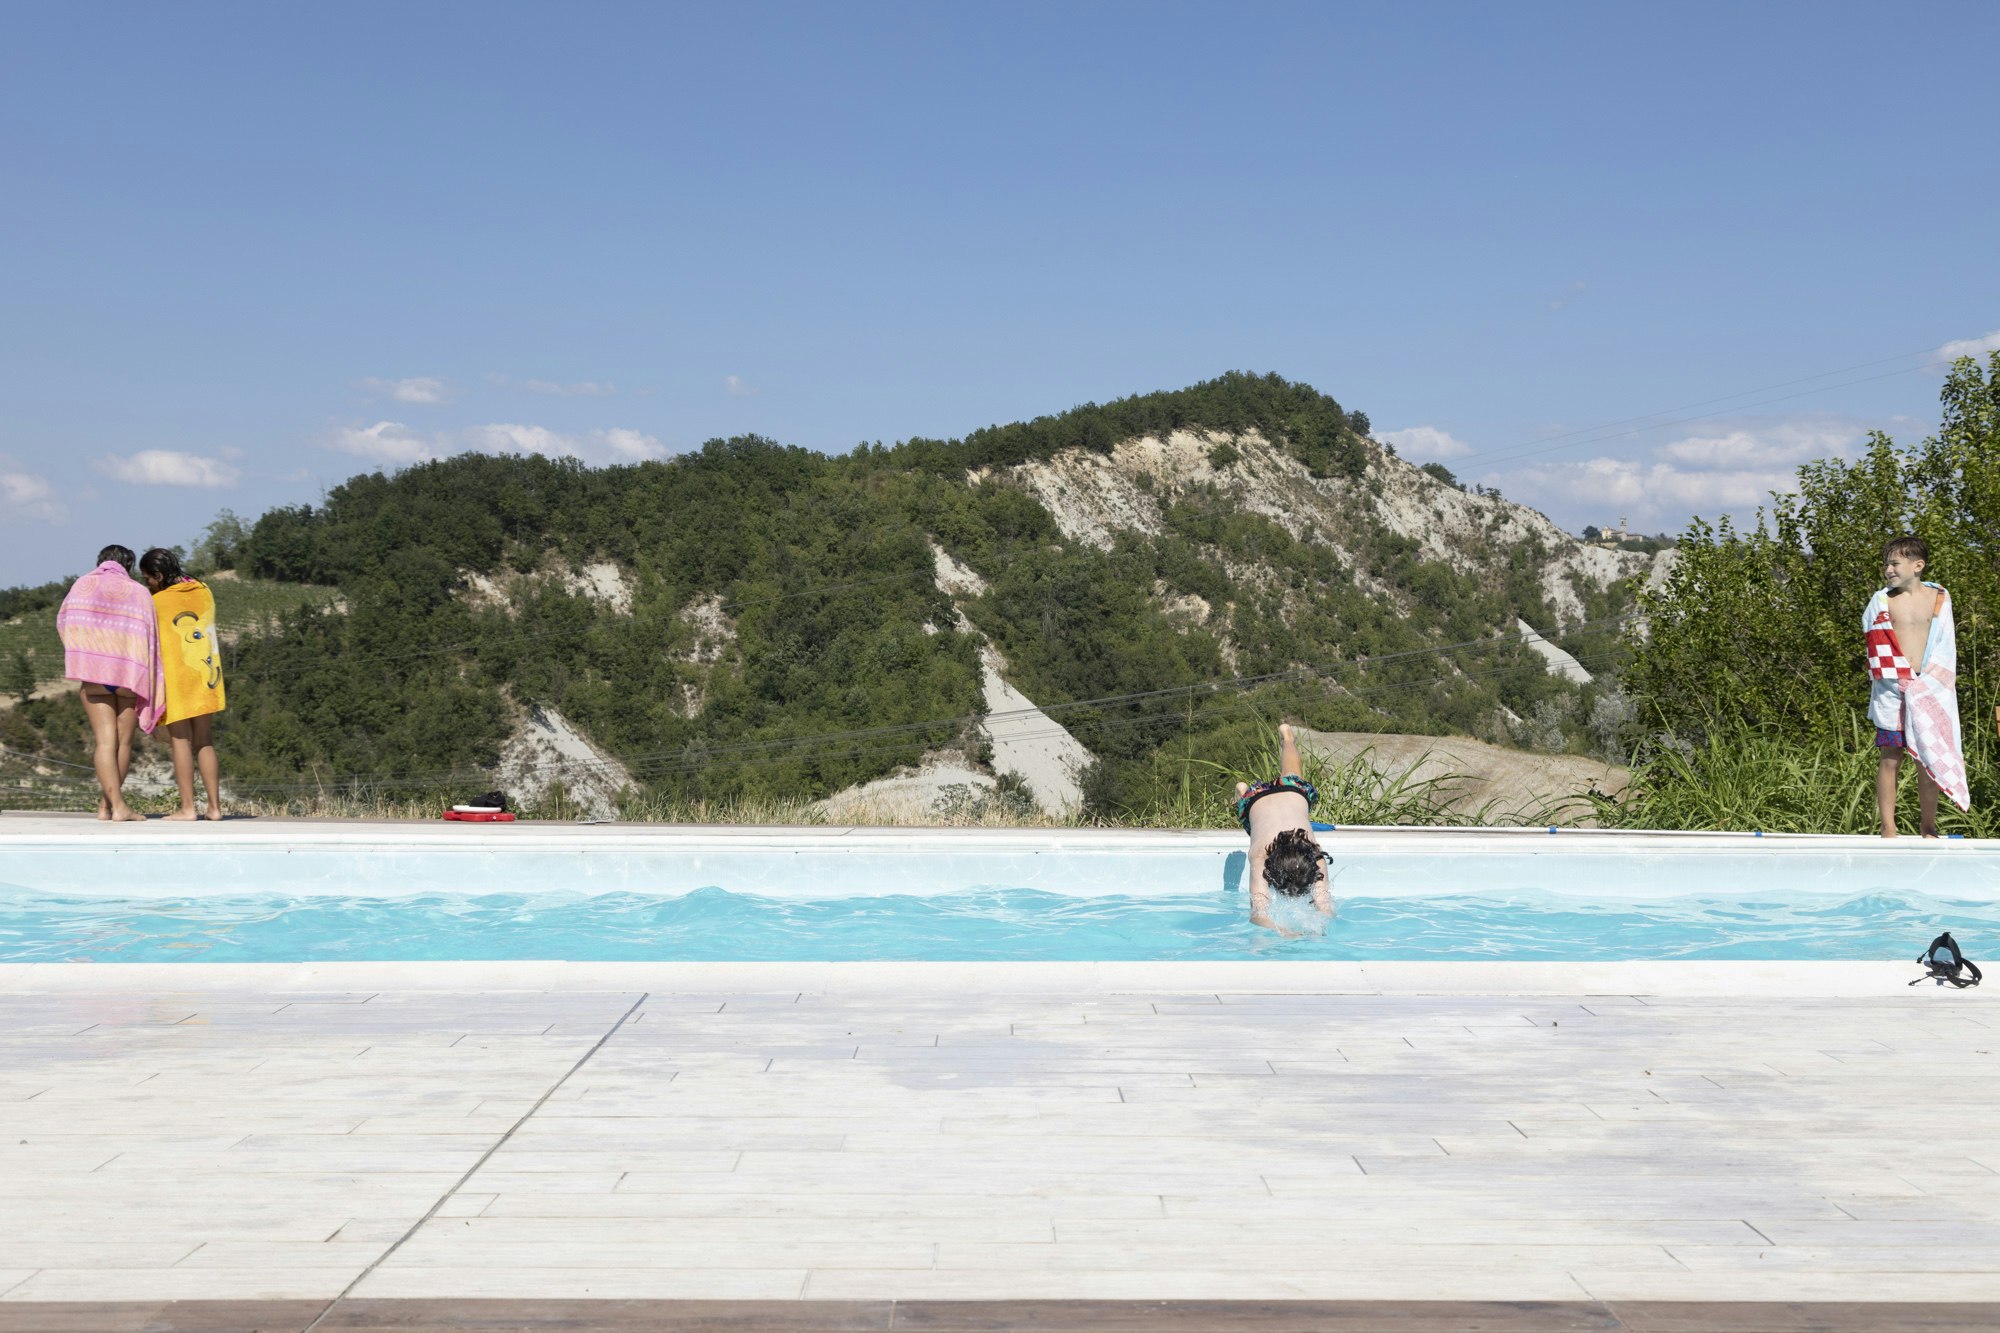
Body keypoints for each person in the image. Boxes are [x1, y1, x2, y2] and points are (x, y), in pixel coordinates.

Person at [1865, 535, 1970, 838]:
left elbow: (1945, 644)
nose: (1888, 569)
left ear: (1918, 565)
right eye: (1886, 564)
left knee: (1927, 760)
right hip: (1892, 687)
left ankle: (1929, 827)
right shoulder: (1883, 601)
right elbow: (1875, 643)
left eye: (1895, 563)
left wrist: (1931, 681)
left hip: (1927, 689)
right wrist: (1894, 677)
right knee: (1890, 757)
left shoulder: (1938, 598)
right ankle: (1888, 827)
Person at [54, 545, 164, 821]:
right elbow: (151, 633)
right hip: (127, 676)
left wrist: (84, 652)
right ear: (128, 565)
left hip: (95, 675)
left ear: (101, 561)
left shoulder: (82, 584)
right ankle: (113, 806)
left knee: (104, 743)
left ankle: (112, 806)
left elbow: (64, 622)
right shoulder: (139, 592)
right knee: (123, 744)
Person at [140, 548, 226, 821]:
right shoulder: (203, 589)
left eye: (148, 579)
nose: (147, 585)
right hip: (207, 673)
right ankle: (214, 809)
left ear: (159, 575)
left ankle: (188, 808)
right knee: (204, 741)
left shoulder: (158, 601)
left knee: (181, 739)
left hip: (178, 678)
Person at [1233, 722, 1334, 930]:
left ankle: (1286, 739)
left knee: (1292, 774)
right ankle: (1242, 792)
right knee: (1248, 803)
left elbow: (1260, 911)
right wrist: (1283, 932)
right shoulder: (1261, 856)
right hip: (1255, 801)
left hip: (1282, 793)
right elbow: (1258, 914)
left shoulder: (1315, 854)